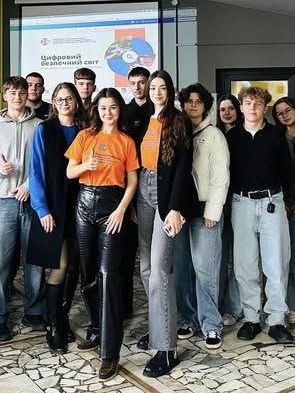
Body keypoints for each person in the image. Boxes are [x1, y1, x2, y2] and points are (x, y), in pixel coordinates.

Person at [65, 87, 139, 380]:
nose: (108, 112)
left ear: (120, 110)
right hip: (84, 204)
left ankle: (110, 352)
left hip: (112, 204)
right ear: (97, 110)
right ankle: (96, 328)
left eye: (113, 107)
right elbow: (70, 172)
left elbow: (132, 181)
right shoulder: (85, 136)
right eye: (103, 107)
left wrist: (121, 210)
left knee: (108, 274)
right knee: (88, 274)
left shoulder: (126, 141)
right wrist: (87, 164)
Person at [136, 70, 197, 377]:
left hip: (166, 196)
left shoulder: (178, 121)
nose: (157, 92)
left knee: (161, 269)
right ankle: (160, 326)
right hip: (142, 193)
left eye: (162, 87)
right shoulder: (142, 120)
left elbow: (183, 168)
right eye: (153, 87)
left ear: (170, 91)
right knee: (146, 268)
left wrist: (174, 208)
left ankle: (167, 348)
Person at [0, 76, 44, 342]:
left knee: (34, 261)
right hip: (3, 202)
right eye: (12, 92)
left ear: (28, 95)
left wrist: (28, 185)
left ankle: (35, 312)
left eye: (21, 92)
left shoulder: (39, 126)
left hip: (32, 202)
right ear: (4, 96)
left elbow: (43, 163)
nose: (17, 97)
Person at [228, 86, 294, 344]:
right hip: (241, 202)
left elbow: (288, 171)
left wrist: (288, 202)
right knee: (245, 263)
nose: (253, 108)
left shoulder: (276, 135)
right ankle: (251, 318)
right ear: (241, 107)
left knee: (276, 262)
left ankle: (276, 319)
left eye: (257, 104)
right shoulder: (232, 136)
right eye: (248, 103)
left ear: (265, 108)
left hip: (272, 202)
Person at [26, 82, 88, 353]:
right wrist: (42, 209)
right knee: (60, 265)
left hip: (82, 205)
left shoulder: (86, 129)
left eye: (69, 98)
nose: (64, 103)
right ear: (53, 102)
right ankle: (52, 325)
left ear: (76, 102)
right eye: (60, 99)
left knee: (74, 266)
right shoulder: (45, 130)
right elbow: (36, 172)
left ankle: (62, 318)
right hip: (53, 206)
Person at [175, 83, 229, 349]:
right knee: (182, 268)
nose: (193, 105)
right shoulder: (178, 132)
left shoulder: (214, 135)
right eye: (189, 101)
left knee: (205, 269)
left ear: (206, 105)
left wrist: (213, 211)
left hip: (206, 209)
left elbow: (221, 176)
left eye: (198, 101)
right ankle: (189, 318)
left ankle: (211, 324)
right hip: (180, 210)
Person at [272, 96, 295, 325]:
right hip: (279, 204)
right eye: (279, 113)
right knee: (277, 259)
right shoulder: (275, 138)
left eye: (288, 110)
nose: (284, 115)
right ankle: (278, 305)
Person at [123, 66, 153, 317]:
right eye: (133, 83)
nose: (137, 87)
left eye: (142, 82)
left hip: (153, 186)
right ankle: (126, 306)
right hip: (128, 187)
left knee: (154, 255)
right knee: (127, 253)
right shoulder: (124, 112)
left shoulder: (157, 110)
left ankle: (158, 304)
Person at [216, 95, 242, 326]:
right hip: (218, 204)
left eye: (230, 108)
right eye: (222, 109)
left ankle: (234, 307)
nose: (226, 113)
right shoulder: (214, 134)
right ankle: (217, 306)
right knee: (220, 258)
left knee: (239, 258)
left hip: (239, 201)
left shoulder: (243, 134)